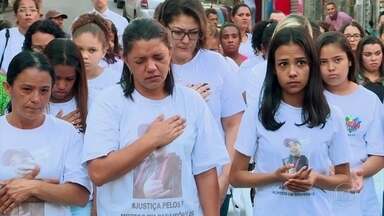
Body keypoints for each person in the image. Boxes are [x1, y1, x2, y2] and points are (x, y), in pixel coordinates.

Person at [82, 18, 229, 215]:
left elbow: (205, 173)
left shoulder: (192, 102)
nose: (151, 67)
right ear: (126, 60)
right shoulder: (109, 102)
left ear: (170, 51)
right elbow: (98, 173)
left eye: (158, 57)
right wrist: (150, 140)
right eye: (140, 61)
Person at [230, 27, 351, 215]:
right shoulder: (257, 113)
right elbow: (236, 177)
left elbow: (345, 180)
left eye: (301, 63)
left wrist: (316, 179)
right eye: (283, 64)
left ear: (312, 66)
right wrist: (274, 177)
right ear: (273, 69)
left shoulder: (332, 115)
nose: (292, 72)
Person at [156, 1, 245, 215]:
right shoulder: (153, 66)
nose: (186, 40)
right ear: (163, 28)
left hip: (212, 176)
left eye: (193, 33)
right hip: (163, 180)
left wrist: (225, 176)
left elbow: (234, 124)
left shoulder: (216, 64)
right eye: (178, 32)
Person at [0, 51, 91, 215]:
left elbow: (80, 195)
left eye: (44, 90)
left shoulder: (66, 132)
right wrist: (52, 190)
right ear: (8, 88)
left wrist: (33, 187)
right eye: (27, 89)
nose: (36, 99)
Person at [317, 31, 384, 216]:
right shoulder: (311, 101)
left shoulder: (370, 101)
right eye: (323, 62)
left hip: (359, 195)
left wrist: (356, 172)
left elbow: (379, 154)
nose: (331, 67)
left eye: (337, 60)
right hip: (318, 193)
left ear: (350, 60)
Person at [71, 13, 122, 99]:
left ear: (104, 50)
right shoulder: (64, 78)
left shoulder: (116, 81)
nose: (84, 56)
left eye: (92, 50)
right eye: (80, 49)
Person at [43, 38, 88, 132]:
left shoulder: (93, 101)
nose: (61, 86)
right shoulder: (31, 102)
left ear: (78, 77)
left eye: (69, 79)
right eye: (56, 78)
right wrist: (56, 128)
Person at [0, 0, 40, 73]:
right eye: (22, 10)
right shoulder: (5, 35)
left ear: (38, 15)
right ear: (16, 15)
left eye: (32, 10)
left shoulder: (45, 37)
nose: (28, 14)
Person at [355, 36, 384, 102]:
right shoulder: (353, 79)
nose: (373, 58)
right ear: (360, 56)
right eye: (368, 55)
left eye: (378, 53)